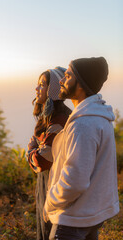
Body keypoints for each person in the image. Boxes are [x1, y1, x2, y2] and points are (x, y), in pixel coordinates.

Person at [43, 57, 120, 240]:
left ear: (81, 84)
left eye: (68, 76)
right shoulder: (99, 116)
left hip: (73, 219)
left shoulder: (83, 124)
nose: (61, 80)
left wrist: (50, 201)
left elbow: (75, 181)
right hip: (90, 213)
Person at [26, 67, 72, 240]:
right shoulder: (50, 118)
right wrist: (35, 149)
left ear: (52, 90)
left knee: (50, 228)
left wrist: (30, 151)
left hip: (54, 181)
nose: (37, 89)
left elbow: (42, 160)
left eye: (42, 85)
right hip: (47, 180)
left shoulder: (59, 119)